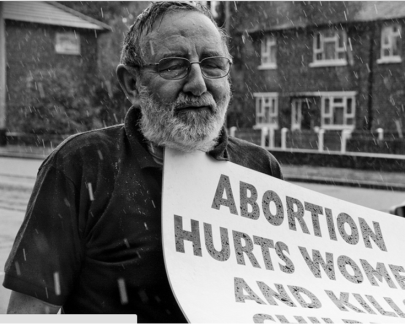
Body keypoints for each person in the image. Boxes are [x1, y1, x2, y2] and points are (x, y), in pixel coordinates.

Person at [3, 2, 282, 322]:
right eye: (174, 66)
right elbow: (32, 314)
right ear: (132, 85)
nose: (198, 84)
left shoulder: (260, 169)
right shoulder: (80, 166)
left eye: (213, 64)